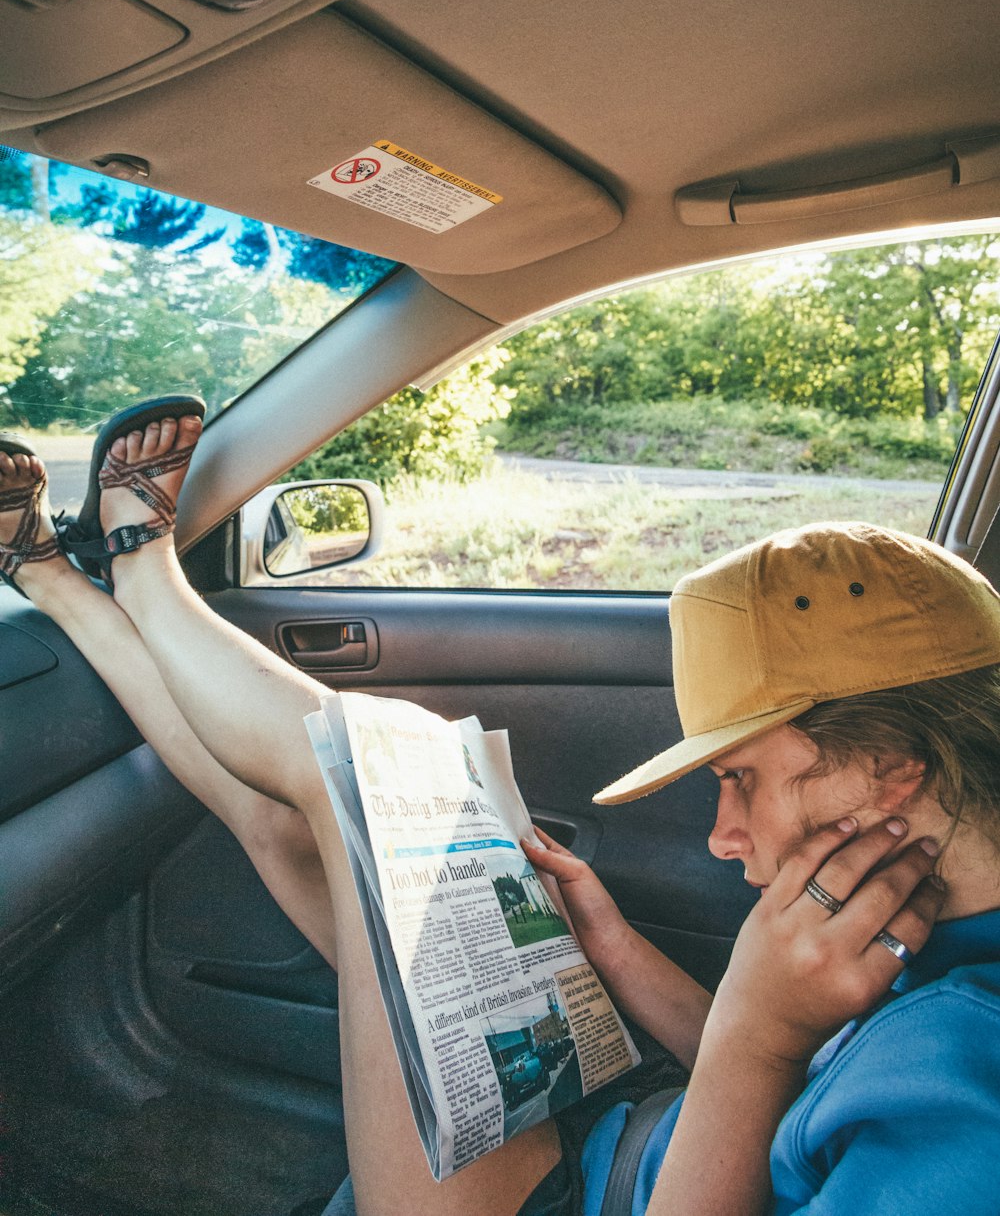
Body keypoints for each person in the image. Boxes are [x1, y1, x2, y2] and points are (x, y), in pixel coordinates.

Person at [3, 401, 1000, 1216]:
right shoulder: (923, 924)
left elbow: (771, 1067)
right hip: (634, 1132)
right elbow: (802, 1094)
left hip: (578, 1192)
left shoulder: (973, 1087)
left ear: (889, 768)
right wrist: (613, 946)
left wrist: (752, 1033)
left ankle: (135, 566)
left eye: (736, 776)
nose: (720, 834)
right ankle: (56, 574)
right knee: (301, 826)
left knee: (345, 769)